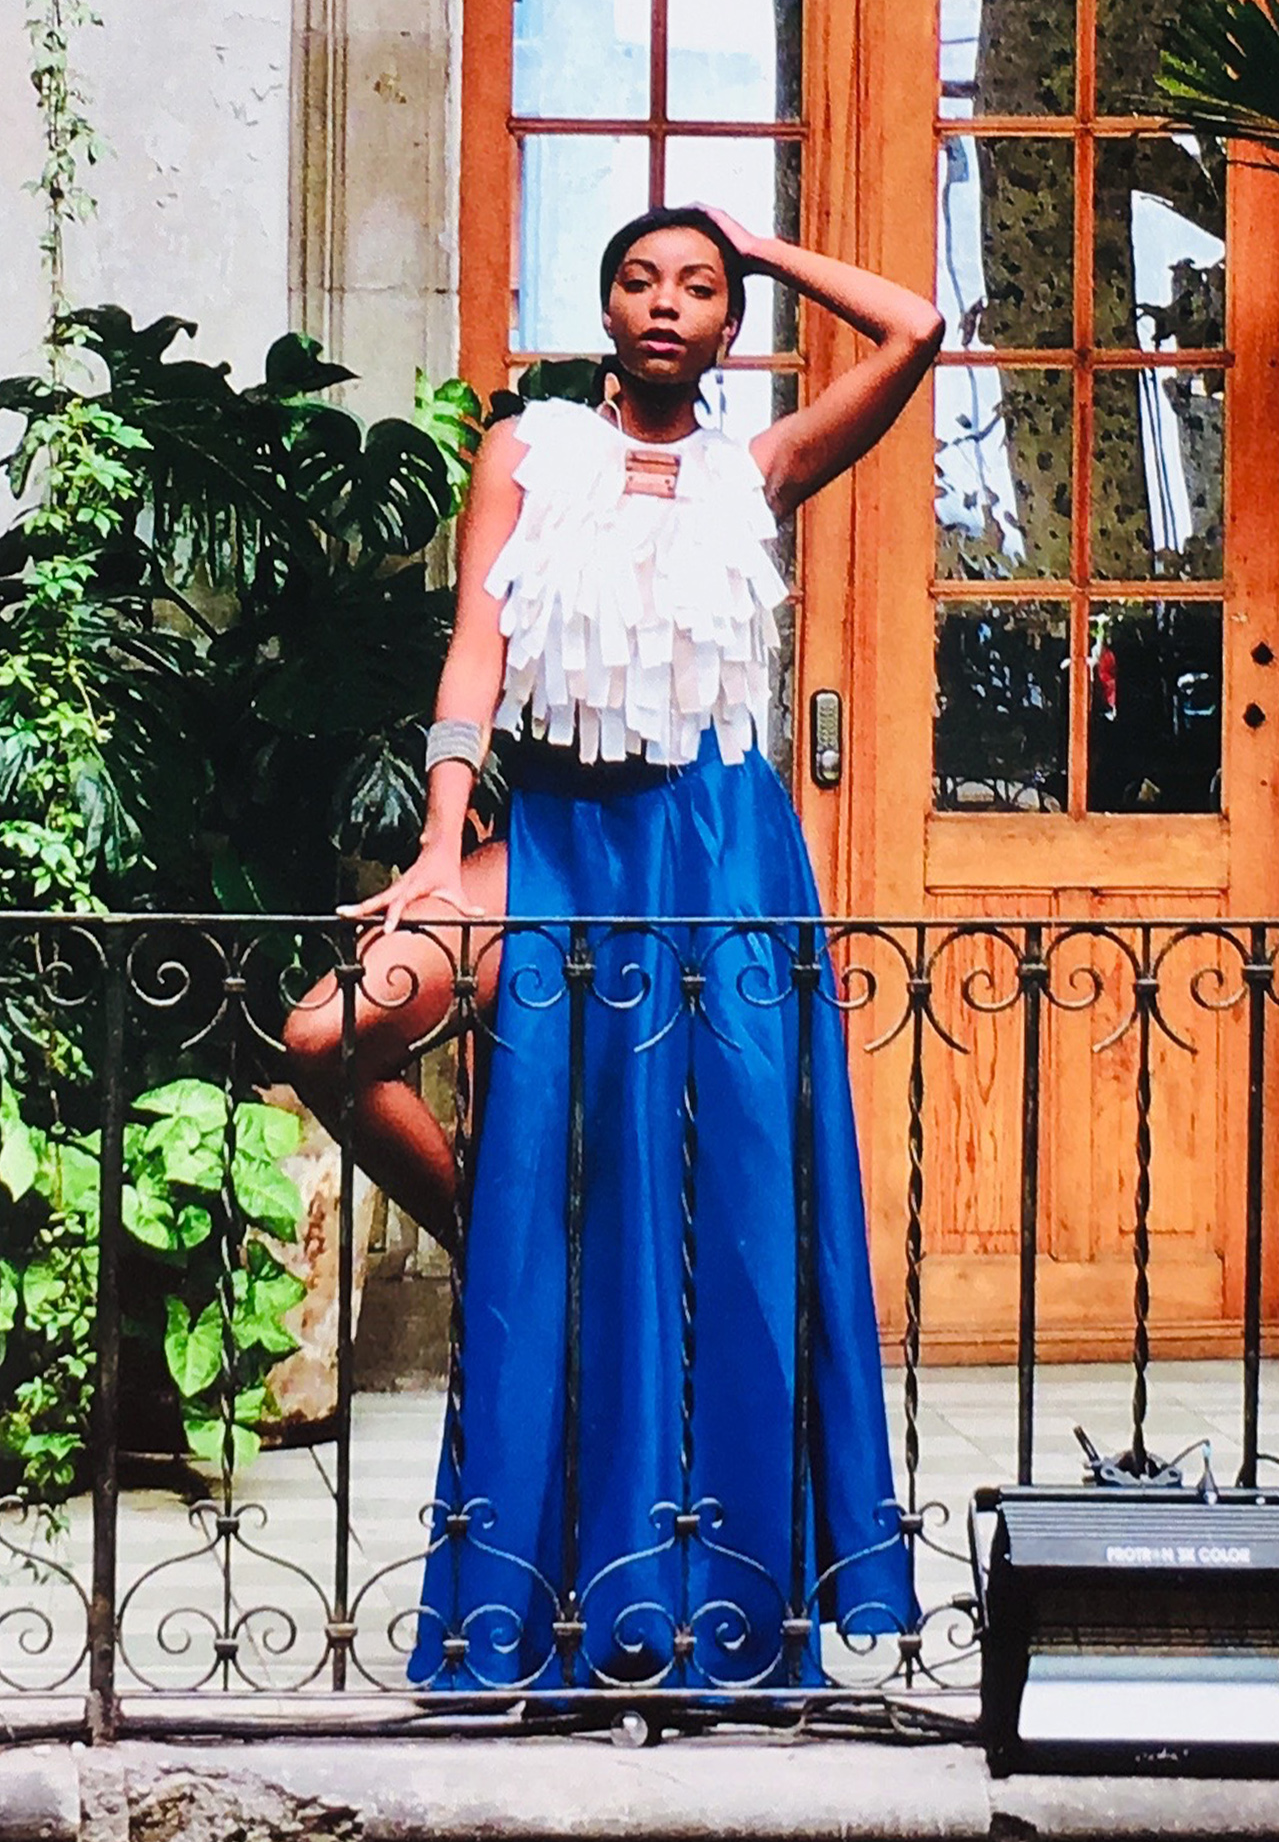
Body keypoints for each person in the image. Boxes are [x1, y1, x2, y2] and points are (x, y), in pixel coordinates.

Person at [285, 204, 943, 1689]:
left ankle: (715, 1604)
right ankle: (506, 1239)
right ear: (603, 311)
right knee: (331, 1031)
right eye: (640, 280)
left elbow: (912, 327)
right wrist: (439, 844)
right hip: (561, 842)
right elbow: (475, 649)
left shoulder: (755, 468)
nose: (666, 303)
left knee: (736, 1211)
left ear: (728, 326)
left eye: (698, 288)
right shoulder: (526, 451)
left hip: (723, 854)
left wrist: (763, 247)